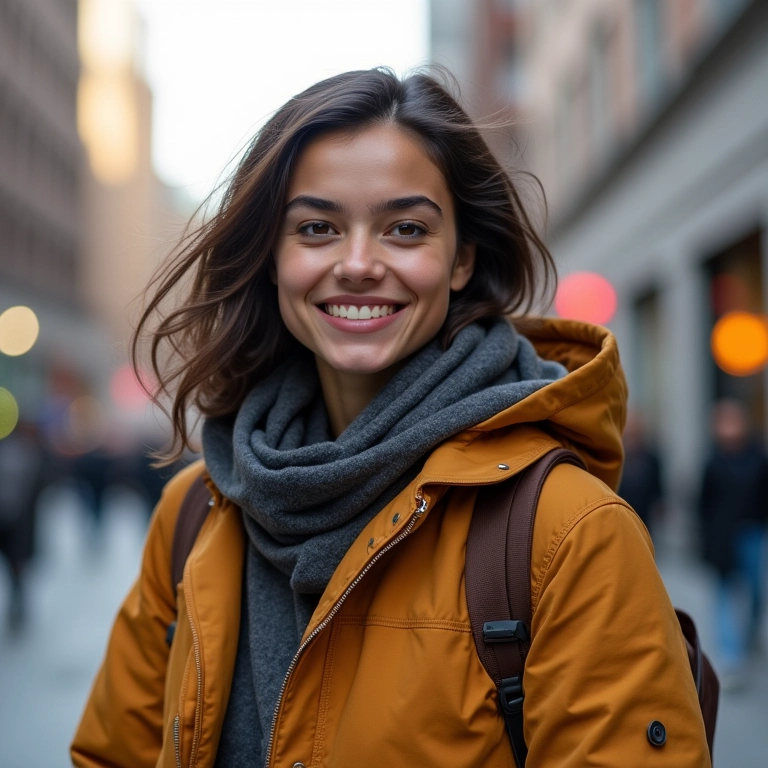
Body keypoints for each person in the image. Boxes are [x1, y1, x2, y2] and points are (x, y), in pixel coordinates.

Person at [71, 69, 710, 767]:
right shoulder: (192, 516)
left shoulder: (567, 531)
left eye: (405, 229)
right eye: (317, 228)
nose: (357, 264)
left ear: (461, 258)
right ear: (274, 259)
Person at [698, 399, 768, 683]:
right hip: (722, 537)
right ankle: (731, 655)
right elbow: (703, 505)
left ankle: (749, 636)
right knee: (725, 593)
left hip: (752, 533)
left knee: (754, 593)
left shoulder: (758, 458)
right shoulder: (713, 462)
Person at [618, 409, 664, 540]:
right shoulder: (618, 457)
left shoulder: (651, 458)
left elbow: (657, 486)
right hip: (622, 517)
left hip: (645, 518)